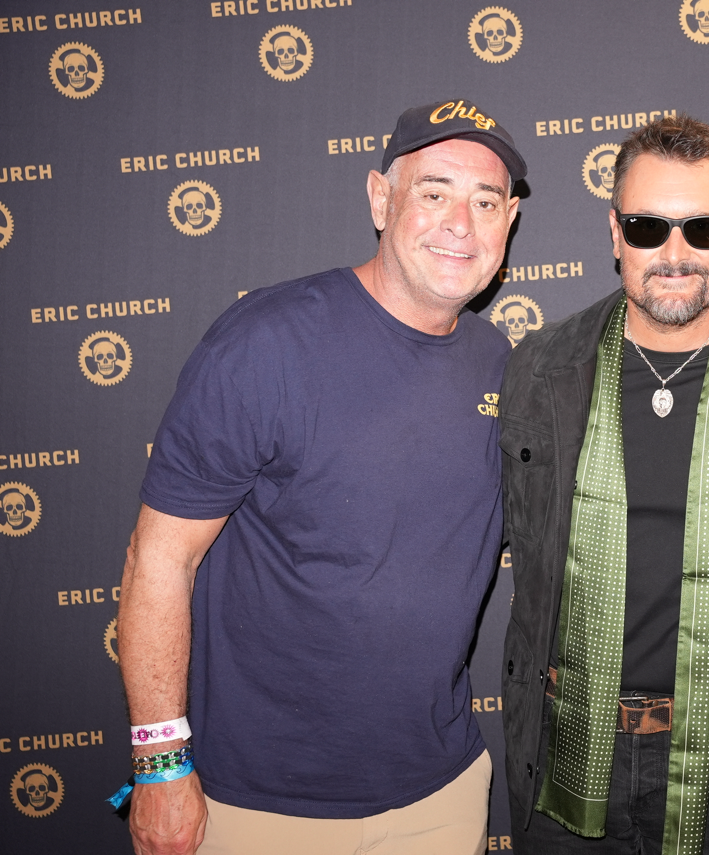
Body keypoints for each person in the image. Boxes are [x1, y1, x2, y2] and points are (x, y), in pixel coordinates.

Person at [116, 99, 525, 855]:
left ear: (510, 221)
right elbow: (159, 558)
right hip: (259, 806)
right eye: (434, 192)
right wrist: (161, 763)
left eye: (485, 201)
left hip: (441, 792)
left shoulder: (502, 365)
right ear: (380, 199)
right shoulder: (266, 344)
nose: (460, 224)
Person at [499, 114, 709, 854]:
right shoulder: (542, 368)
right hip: (565, 738)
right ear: (615, 233)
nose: (675, 254)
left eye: (703, 229)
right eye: (647, 227)